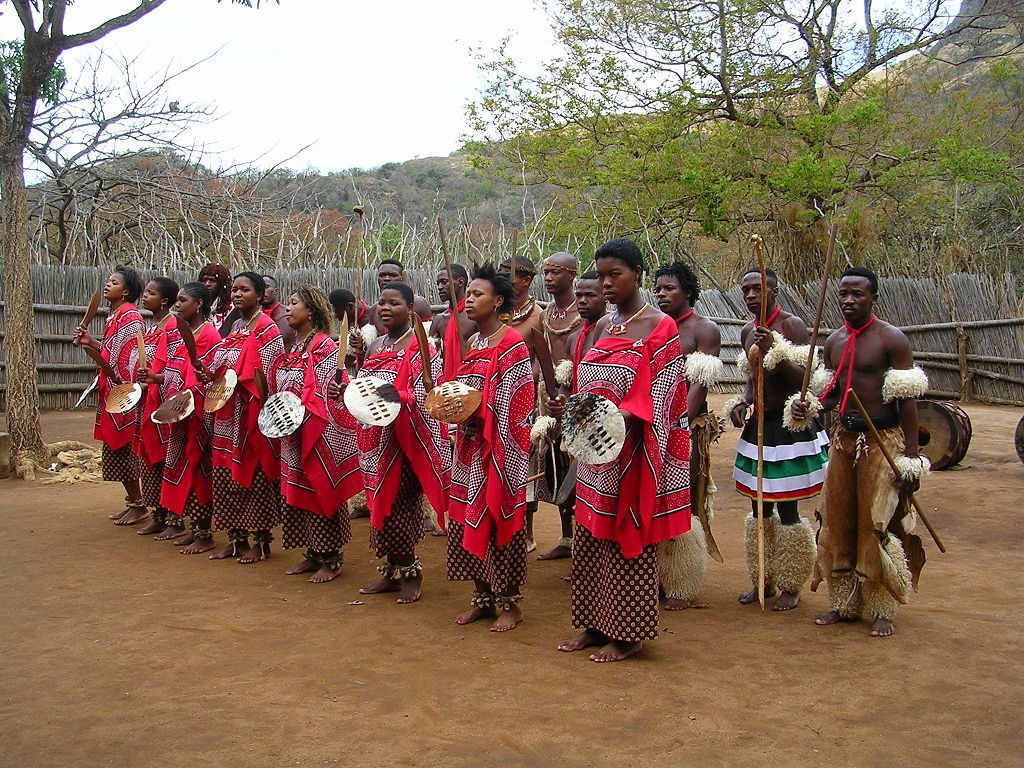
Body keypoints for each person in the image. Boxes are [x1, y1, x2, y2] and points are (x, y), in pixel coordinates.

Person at [551, 238, 691, 663]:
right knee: (590, 534)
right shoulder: (600, 326)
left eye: (616, 275)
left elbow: (664, 394)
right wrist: (571, 408)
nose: (607, 284)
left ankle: (628, 634)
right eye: (602, 276)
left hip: (632, 453)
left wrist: (618, 416)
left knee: (624, 533)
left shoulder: (660, 326)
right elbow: (586, 382)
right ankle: (594, 625)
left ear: (637, 274)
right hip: (594, 452)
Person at [789, 266, 927, 637]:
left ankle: (882, 605)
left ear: (873, 298)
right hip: (843, 440)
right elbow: (832, 394)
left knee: (876, 521)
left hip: (882, 440)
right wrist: (807, 407)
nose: (849, 300)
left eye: (857, 294)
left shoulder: (891, 339)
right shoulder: (834, 341)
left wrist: (910, 461)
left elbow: (908, 401)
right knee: (838, 518)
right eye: (844, 294)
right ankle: (844, 603)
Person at [721, 266, 826, 611]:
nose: (751, 295)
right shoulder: (747, 330)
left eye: (758, 289)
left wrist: (776, 353)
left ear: (774, 292)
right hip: (759, 426)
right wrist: (743, 402)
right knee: (758, 507)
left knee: (787, 506)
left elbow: (805, 380)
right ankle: (762, 579)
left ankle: (791, 584)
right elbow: (752, 378)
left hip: (787, 427)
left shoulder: (791, 326)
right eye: (746, 290)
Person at [345, 283, 450, 603]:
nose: (386, 308)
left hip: (406, 440)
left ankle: (411, 572)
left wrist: (396, 397)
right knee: (380, 504)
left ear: (411, 310)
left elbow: (428, 393)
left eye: (395, 303)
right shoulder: (376, 344)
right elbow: (363, 388)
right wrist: (347, 390)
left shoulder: (422, 346)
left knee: (398, 506)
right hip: (375, 439)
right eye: (382, 303)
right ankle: (392, 571)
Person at [447, 263, 536, 632]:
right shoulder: (475, 343)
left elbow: (519, 402)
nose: (469, 300)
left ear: (498, 301)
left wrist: (479, 411)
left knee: (499, 520)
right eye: (468, 294)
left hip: (501, 450)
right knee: (467, 516)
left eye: (477, 294)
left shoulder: (511, 343)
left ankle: (510, 603)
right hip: (469, 448)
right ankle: (482, 598)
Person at [272, 285, 363, 583]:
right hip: (293, 432)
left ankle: (331, 557)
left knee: (320, 488)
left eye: (294, 303)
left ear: (310, 311)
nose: (287, 308)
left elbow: (334, 390)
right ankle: (312, 552)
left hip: (319, 433)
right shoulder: (295, 346)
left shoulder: (324, 347)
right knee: (299, 489)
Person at [653, 261, 725, 610]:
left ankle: (682, 583)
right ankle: (656, 575)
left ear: (688, 292)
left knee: (683, 499)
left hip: (687, 427)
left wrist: (676, 424)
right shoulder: (653, 326)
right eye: (658, 288)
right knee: (654, 497)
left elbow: (698, 384)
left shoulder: (703, 329)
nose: (661, 294)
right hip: (653, 424)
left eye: (669, 288)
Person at [201, 272, 285, 564]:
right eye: (234, 290)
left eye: (244, 290)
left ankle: (261, 542)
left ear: (259, 295)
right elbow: (221, 360)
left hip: (250, 413)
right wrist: (210, 372)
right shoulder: (236, 325)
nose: (237, 294)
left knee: (253, 475)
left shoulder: (267, 329)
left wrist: (242, 381)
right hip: (226, 412)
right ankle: (236, 539)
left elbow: (269, 374)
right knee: (225, 475)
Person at [73, 266, 146, 525]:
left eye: (114, 282)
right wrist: (91, 342)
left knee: (123, 445)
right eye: (108, 281)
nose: (107, 285)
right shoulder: (114, 316)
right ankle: (133, 502)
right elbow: (110, 350)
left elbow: (130, 357)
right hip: (112, 388)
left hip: (123, 391)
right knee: (115, 446)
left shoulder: (130, 316)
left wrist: (123, 386)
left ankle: (140, 504)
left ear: (125, 291)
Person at [158, 282, 223, 555]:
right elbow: (175, 369)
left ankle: (205, 533)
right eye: (177, 299)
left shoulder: (208, 334)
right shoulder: (179, 331)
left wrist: (189, 397)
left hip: (198, 416)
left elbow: (211, 376)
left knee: (199, 471)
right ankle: (194, 528)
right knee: (184, 468)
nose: (177, 304)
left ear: (198, 305)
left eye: (183, 300)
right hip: (180, 412)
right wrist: (159, 381)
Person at [533, 252, 582, 561]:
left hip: (576, 398)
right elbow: (539, 357)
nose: (549, 278)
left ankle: (585, 542)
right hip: (548, 399)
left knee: (578, 465)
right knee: (557, 465)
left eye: (556, 272)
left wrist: (568, 392)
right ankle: (567, 537)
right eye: (546, 273)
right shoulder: (546, 313)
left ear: (572, 275)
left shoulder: (584, 311)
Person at [497, 253, 543, 551]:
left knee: (525, 463)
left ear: (525, 281)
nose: (502, 278)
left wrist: (520, 378)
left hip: (525, 400)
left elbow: (541, 358)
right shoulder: (496, 310)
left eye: (509, 274)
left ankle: (526, 531)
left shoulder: (538, 316)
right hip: (496, 398)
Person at [132, 276, 181, 538]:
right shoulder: (150, 327)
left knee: (166, 457)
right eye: (146, 292)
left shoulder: (172, 326)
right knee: (148, 457)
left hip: (163, 401)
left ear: (164, 301)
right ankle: (158, 514)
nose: (145, 296)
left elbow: (175, 365)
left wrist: (155, 379)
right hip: (145, 400)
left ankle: (174, 517)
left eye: (151, 293)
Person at [429, 263, 476, 381]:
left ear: (460, 282)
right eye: (438, 283)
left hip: (471, 381)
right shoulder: (439, 320)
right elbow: (431, 356)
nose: (439, 287)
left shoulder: (475, 316)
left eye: (444, 282)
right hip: (446, 384)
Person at [362, 259, 433, 334]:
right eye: (382, 275)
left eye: (393, 275)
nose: (386, 278)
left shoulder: (419, 304)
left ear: (402, 277)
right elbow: (372, 338)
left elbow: (427, 336)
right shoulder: (375, 309)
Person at [198, 263, 236, 335]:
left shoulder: (233, 309)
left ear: (222, 283)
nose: (207, 284)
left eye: (212, 280)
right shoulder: (196, 306)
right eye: (204, 280)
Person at [261, 274, 295, 347]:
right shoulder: (253, 318)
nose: (262, 291)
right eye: (259, 288)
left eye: (266, 287)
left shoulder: (290, 314)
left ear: (276, 291)